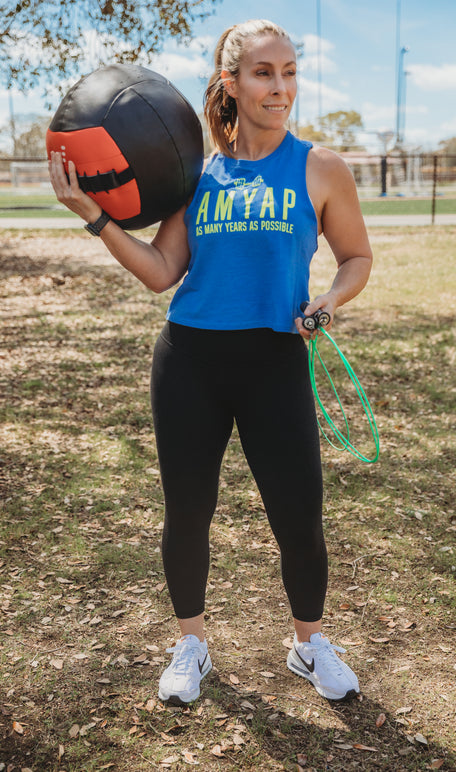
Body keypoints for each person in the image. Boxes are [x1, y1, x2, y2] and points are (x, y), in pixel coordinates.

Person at [48, 18, 373, 705]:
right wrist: (95, 218)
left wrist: (331, 297)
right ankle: (191, 644)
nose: (279, 87)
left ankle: (308, 645)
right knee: (187, 512)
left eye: (288, 71)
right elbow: (162, 271)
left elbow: (356, 257)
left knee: (298, 516)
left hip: (276, 360)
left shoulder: (320, 168)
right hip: (190, 362)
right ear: (230, 82)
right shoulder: (196, 175)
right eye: (263, 73)